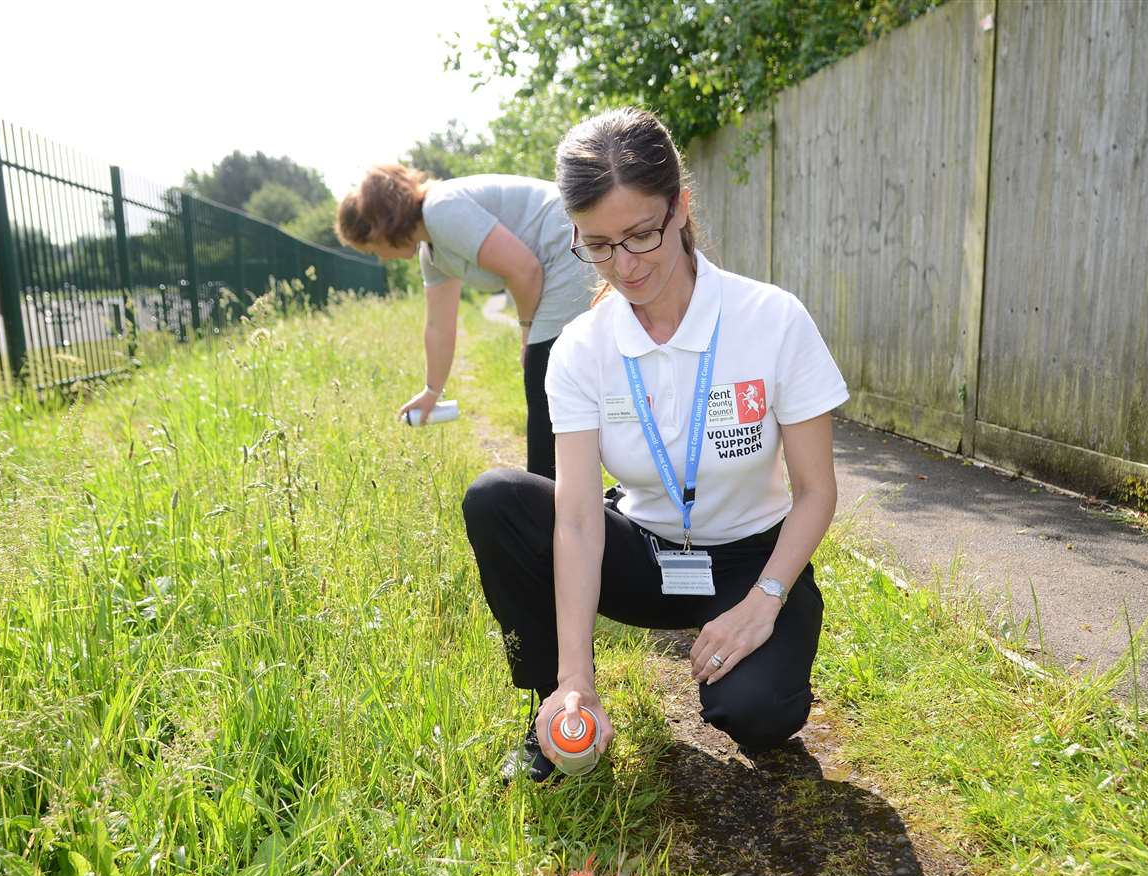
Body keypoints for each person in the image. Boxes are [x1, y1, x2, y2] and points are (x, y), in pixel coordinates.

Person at [461, 107, 850, 782]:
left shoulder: (771, 320)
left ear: (681, 208)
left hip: (749, 560)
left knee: (759, 715)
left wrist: (766, 599)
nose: (625, 265)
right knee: (497, 498)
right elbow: (580, 520)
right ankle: (551, 710)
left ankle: (749, 649)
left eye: (641, 235)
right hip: (641, 553)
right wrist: (575, 675)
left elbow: (817, 492)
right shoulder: (584, 347)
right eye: (599, 245)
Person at [336, 166, 594, 479]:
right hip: (559, 260)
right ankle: (560, 502)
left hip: (570, 249)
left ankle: (547, 511)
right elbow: (438, 326)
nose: (381, 258)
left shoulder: (440, 209)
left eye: (372, 248)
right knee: (550, 384)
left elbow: (525, 270)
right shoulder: (431, 251)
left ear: (381, 228)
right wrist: (432, 391)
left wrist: (527, 335)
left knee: (543, 383)